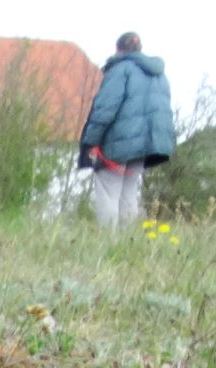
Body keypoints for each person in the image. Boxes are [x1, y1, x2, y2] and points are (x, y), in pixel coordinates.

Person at [79, 31, 175, 228]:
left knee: (108, 192)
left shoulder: (120, 70)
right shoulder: (159, 75)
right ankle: (128, 243)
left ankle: (108, 244)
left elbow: (105, 109)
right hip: (146, 146)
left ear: (118, 49)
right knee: (129, 193)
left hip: (117, 145)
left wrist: (91, 141)